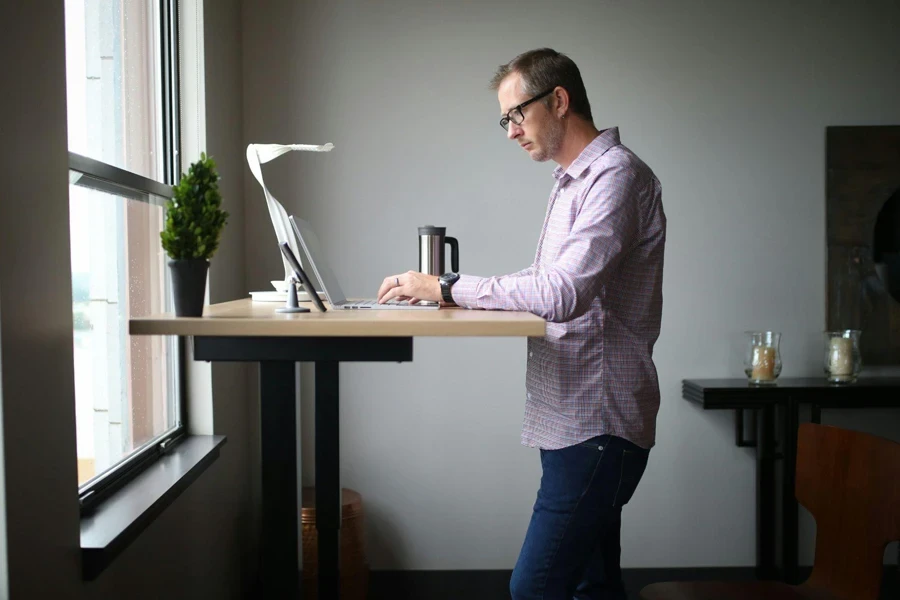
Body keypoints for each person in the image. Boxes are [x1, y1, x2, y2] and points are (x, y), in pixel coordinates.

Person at [376, 47, 666, 600]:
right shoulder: (573, 182)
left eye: (517, 114)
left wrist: (446, 286)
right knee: (592, 587)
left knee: (534, 589)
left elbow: (561, 292)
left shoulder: (616, 178)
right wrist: (447, 295)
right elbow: (543, 280)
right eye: (504, 119)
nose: (510, 131)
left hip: (596, 424)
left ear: (559, 101)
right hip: (574, 418)